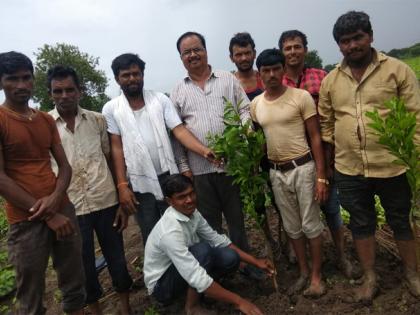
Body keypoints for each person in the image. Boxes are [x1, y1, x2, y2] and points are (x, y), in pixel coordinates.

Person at [318, 10, 420, 302]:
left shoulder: (397, 70)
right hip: (350, 168)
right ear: (339, 45)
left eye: (358, 38)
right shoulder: (331, 81)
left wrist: (413, 159)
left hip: (393, 165)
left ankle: (412, 274)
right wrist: (331, 164)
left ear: (370, 36)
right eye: (345, 41)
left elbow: (415, 117)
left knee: (400, 219)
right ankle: (370, 276)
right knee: (361, 223)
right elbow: (326, 124)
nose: (352, 46)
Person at [0, 52, 85, 314]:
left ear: (33, 79)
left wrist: (56, 200)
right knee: (31, 295)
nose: (21, 85)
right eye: (12, 79)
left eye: (26, 78)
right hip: (25, 221)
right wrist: (48, 214)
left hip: (62, 208)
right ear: (1, 82)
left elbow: (65, 167)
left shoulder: (45, 119)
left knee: (74, 282)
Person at [172, 32, 261, 279]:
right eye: (186, 52)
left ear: (206, 50)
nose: (193, 55)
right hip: (199, 171)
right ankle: (222, 271)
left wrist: (242, 137)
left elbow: (244, 109)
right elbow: (176, 132)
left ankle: (247, 266)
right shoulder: (178, 90)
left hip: (232, 167)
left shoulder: (227, 79)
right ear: (181, 58)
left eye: (196, 49)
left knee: (237, 222)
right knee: (210, 225)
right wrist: (182, 165)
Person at [102, 53, 213, 247]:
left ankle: (192, 269)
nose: (132, 79)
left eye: (136, 74)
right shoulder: (112, 109)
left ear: (143, 74)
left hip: (169, 177)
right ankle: (163, 275)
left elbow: (178, 130)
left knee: (182, 228)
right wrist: (122, 185)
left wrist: (204, 151)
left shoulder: (159, 100)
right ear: (117, 79)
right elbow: (116, 148)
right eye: (126, 75)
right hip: (139, 183)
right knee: (152, 233)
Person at [48, 65, 133, 314]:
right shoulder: (45, 125)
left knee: (117, 259)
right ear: (51, 93)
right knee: (84, 267)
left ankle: (125, 308)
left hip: (106, 202)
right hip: (71, 208)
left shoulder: (97, 120)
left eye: (70, 90)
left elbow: (110, 159)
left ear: (80, 91)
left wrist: (121, 200)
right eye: (58, 91)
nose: (64, 96)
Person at [251, 49, 329, 297]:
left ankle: (317, 276)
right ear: (260, 73)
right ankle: (304, 272)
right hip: (276, 172)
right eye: (266, 70)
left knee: (311, 224)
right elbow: (260, 141)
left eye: (276, 69)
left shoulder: (301, 96)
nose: (271, 74)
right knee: (292, 226)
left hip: (303, 168)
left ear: (283, 70)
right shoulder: (256, 105)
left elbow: (315, 137)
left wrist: (321, 175)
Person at [279, 29, 354, 277]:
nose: (293, 52)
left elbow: (330, 118)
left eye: (297, 46)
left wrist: (329, 163)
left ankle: (342, 256)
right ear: (282, 52)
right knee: (295, 210)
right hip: (293, 158)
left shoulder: (322, 77)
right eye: (288, 48)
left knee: (331, 208)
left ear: (305, 50)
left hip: (323, 153)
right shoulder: (277, 82)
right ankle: (299, 253)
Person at [143, 174, 274, 315]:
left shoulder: (193, 213)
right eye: (182, 197)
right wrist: (239, 301)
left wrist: (255, 262)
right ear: (170, 201)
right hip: (162, 286)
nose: (189, 200)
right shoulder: (169, 231)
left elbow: (218, 240)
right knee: (202, 252)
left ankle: (205, 291)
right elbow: (194, 274)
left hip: (183, 269)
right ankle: (192, 307)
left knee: (231, 257)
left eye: (191, 193)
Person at [229, 32, 279, 251]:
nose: (243, 58)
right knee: (257, 200)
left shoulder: (266, 76)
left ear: (254, 53)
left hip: (274, 147)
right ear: (232, 57)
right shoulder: (230, 83)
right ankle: (268, 239)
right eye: (238, 54)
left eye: (247, 52)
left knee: (279, 196)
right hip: (248, 154)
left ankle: (285, 236)